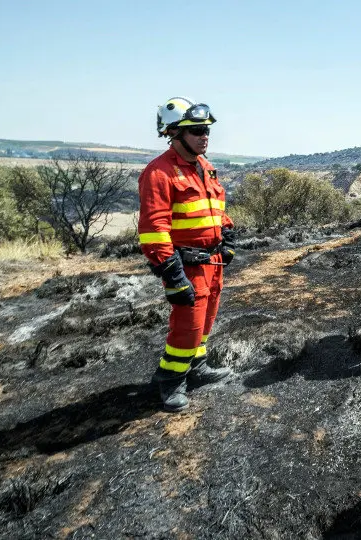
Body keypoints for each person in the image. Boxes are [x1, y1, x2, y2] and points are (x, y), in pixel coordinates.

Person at [138, 97, 236, 412]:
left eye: (206, 129)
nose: (204, 135)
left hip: (213, 261)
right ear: (174, 133)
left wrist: (228, 234)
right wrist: (171, 272)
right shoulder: (159, 172)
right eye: (196, 130)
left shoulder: (205, 167)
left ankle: (198, 366)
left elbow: (216, 209)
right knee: (188, 325)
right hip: (187, 264)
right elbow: (153, 230)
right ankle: (170, 383)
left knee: (205, 322)